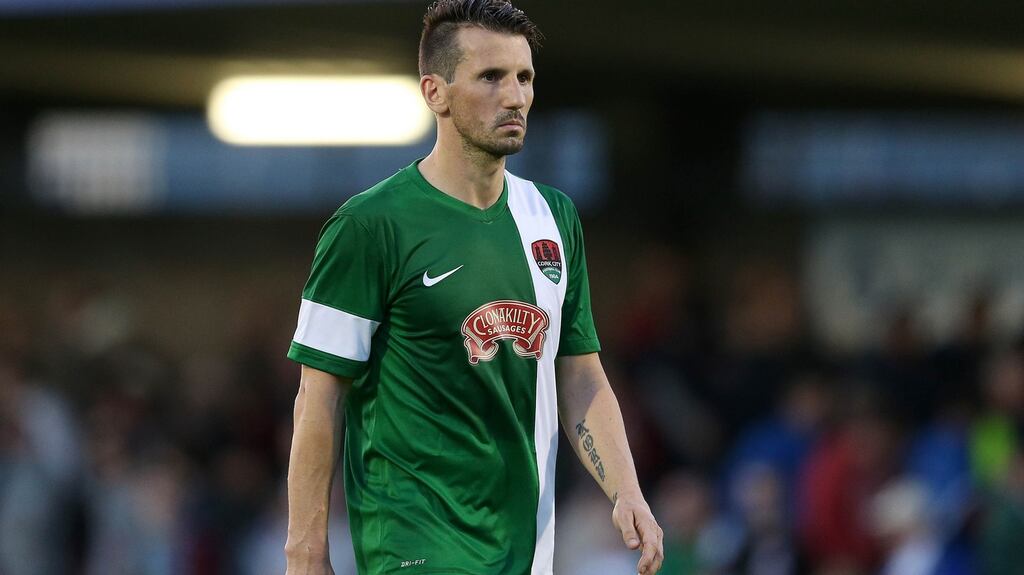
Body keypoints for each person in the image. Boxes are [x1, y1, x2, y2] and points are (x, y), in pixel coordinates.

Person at [283, 1, 664, 574]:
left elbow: (579, 375)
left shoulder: (553, 219)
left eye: (524, 77)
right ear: (435, 92)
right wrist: (306, 551)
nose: (515, 97)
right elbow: (318, 396)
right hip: (413, 544)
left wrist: (626, 490)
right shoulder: (369, 226)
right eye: (491, 77)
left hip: (525, 548)